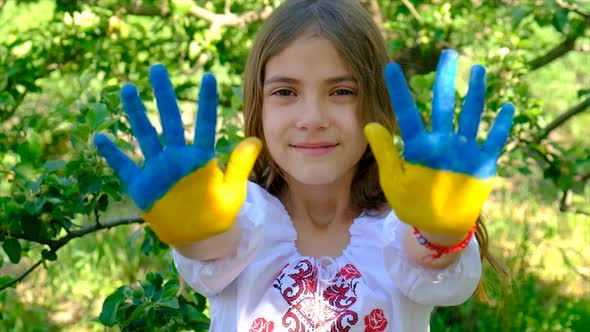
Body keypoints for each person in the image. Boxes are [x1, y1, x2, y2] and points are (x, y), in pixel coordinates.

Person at [94, 0, 515, 330]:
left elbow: (426, 255)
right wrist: (195, 233)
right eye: (285, 92)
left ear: (376, 102)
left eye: (342, 91)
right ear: (257, 105)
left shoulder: (402, 223)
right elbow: (216, 245)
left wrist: (441, 232)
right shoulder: (240, 217)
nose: (312, 117)